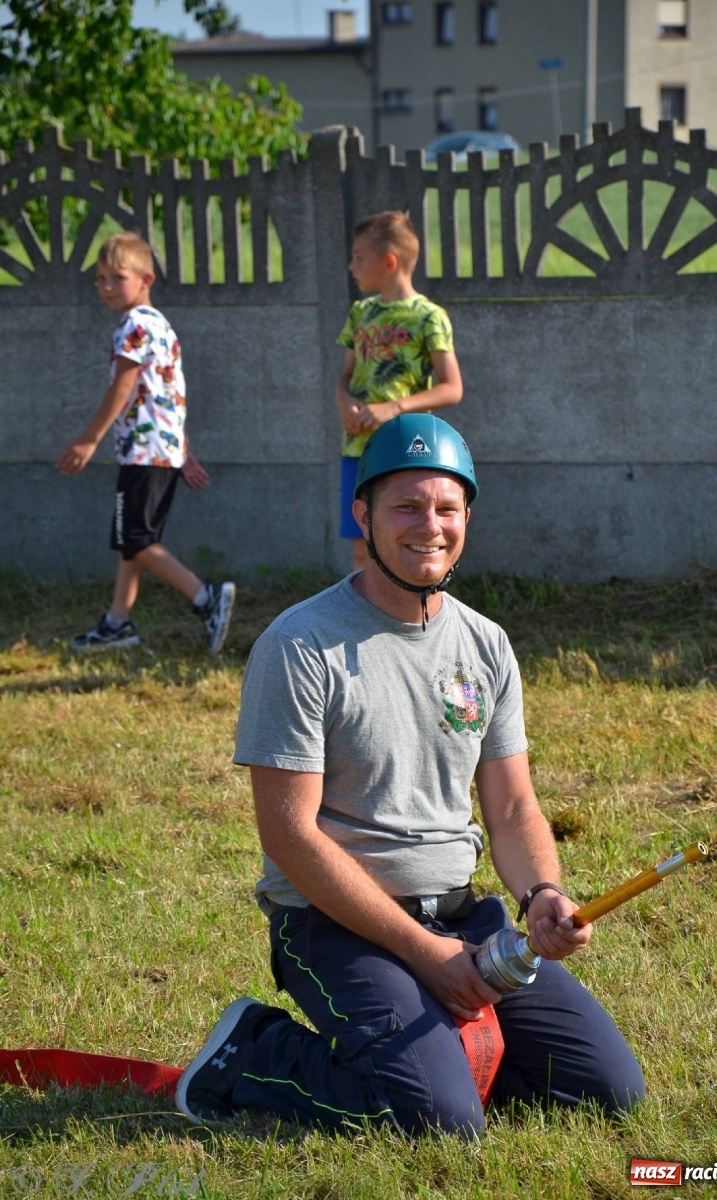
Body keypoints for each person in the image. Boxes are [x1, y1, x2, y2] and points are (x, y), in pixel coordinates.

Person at [176, 414, 645, 1138]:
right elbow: (288, 834)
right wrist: (423, 956)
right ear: (361, 514)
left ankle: (438, 1063)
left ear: (466, 518)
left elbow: (513, 805)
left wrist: (542, 894)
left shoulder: (485, 644)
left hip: (463, 919)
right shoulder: (300, 645)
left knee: (608, 1091)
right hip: (334, 925)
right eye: (405, 505)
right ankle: (250, 1055)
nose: (428, 525)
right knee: (435, 1122)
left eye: (446, 508)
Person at [56, 232, 235, 655]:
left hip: (144, 452)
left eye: (116, 277)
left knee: (134, 537)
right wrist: (184, 452)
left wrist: (88, 439)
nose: (105, 286)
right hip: (162, 451)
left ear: (145, 278)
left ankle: (205, 598)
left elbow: (125, 385)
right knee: (131, 539)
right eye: (99, 278)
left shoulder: (135, 325)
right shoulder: (160, 325)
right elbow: (169, 394)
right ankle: (118, 623)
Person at [336, 210, 463, 571]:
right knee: (363, 549)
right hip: (356, 450)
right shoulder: (360, 313)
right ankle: (361, 623)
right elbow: (344, 377)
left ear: (389, 262)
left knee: (403, 545)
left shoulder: (429, 317)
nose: (351, 266)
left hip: (405, 452)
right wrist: (343, 401)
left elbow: (452, 388)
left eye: (359, 258)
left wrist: (393, 408)